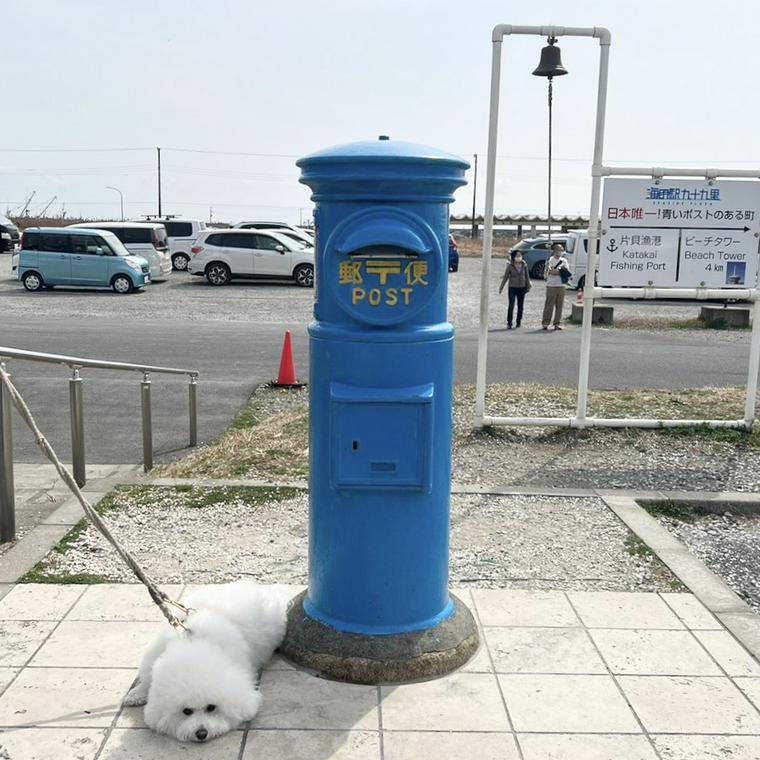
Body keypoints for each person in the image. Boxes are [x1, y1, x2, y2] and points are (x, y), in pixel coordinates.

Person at [498, 250, 531, 329]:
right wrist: (501, 287)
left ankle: (518, 321)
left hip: (522, 287)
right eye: (517, 255)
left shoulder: (524, 265)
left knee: (520, 306)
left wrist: (528, 285)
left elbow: (527, 276)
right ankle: (509, 322)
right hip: (512, 287)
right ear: (513, 257)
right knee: (511, 305)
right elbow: (505, 277)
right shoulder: (510, 266)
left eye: (520, 255)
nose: (519, 257)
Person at [542, 242, 571, 331]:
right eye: (559, 250)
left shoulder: (564, 261)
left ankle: (557, 323)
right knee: (549, 305)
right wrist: (559, 272)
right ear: (554, 251)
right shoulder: (550, 260)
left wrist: (558, 272)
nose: (561, 252)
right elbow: (550, 272)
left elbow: (566, 273)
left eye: (562, 250)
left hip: (561, 285)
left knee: (559, 306)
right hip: (551, 286)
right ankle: (545, 323)